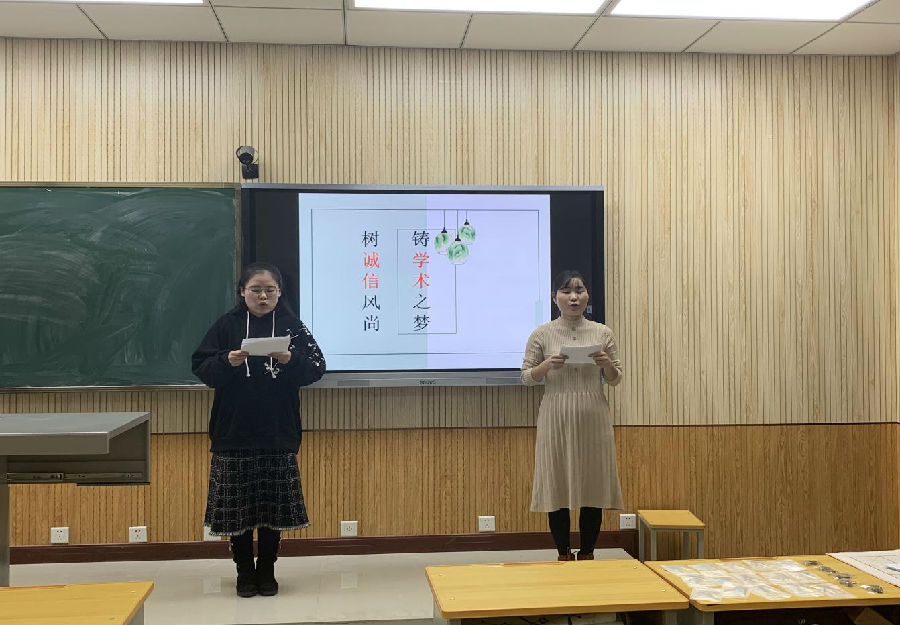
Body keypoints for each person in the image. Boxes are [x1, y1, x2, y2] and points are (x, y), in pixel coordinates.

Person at [192, 262, 325, 597]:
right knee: (237, 511)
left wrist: (289, 360)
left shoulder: (293, 327)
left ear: (279, 292)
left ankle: (267, 570)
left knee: (271, 509)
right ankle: (243, 572)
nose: (263, 296)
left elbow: (317, 368)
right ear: (242, 292)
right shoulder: (227, 325)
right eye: (256, 290)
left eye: (269, 290)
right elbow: (201, 367)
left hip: (278, 432)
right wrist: (226, 361)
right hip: (233, 432)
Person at [521, 270, 624, 561]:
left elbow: (616, 378)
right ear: (555, 297)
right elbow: (527, 377)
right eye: (566, 291)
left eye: (580, 290)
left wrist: (606, 364)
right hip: (555, 414)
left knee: (593, 484)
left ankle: (588, 552)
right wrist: (547, 366)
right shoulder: (542, 333)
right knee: (557, 484)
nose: (574, 297)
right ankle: (563, 553)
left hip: (593, 415)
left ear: (587, 296)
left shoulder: (602, 333)